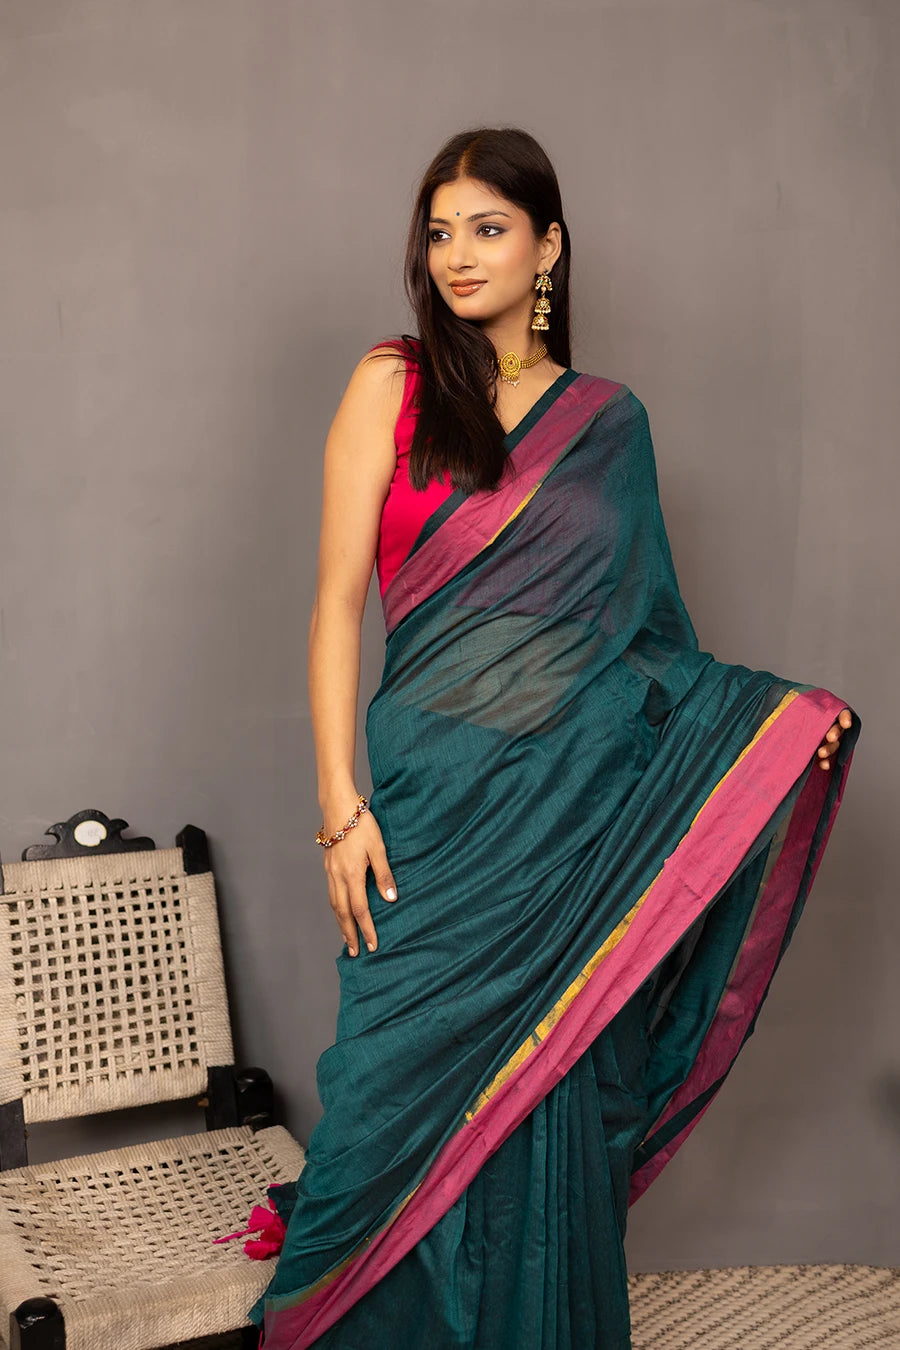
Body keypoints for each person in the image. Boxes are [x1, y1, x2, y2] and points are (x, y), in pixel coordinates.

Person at [247, 127, 860, 1349]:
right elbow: (333, 604)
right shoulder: (394, 380)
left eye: (488, 227)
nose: (459, 254)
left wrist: (776, 733)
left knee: (552, 1083)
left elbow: (647, 647)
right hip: (427, 812)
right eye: (439, 230)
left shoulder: (608, 421)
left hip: (569, 821)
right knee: (383, 1102)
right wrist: (337, 802)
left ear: (548, 247)